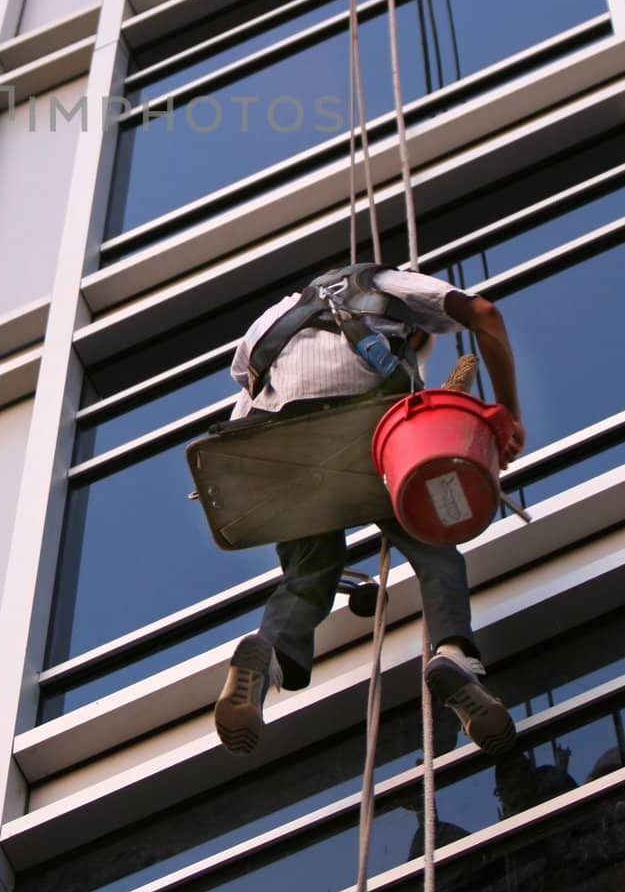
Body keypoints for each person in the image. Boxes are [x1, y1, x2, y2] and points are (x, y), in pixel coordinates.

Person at [213, 263, 525, 758]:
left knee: (308, 576)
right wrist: (509, 413)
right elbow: (483, 313)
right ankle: (453, 654)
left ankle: (267, 653)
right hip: (367, 422)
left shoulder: (269, 321)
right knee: (435, 546)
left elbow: (246, 398)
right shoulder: (386, 281)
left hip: (278, 444)